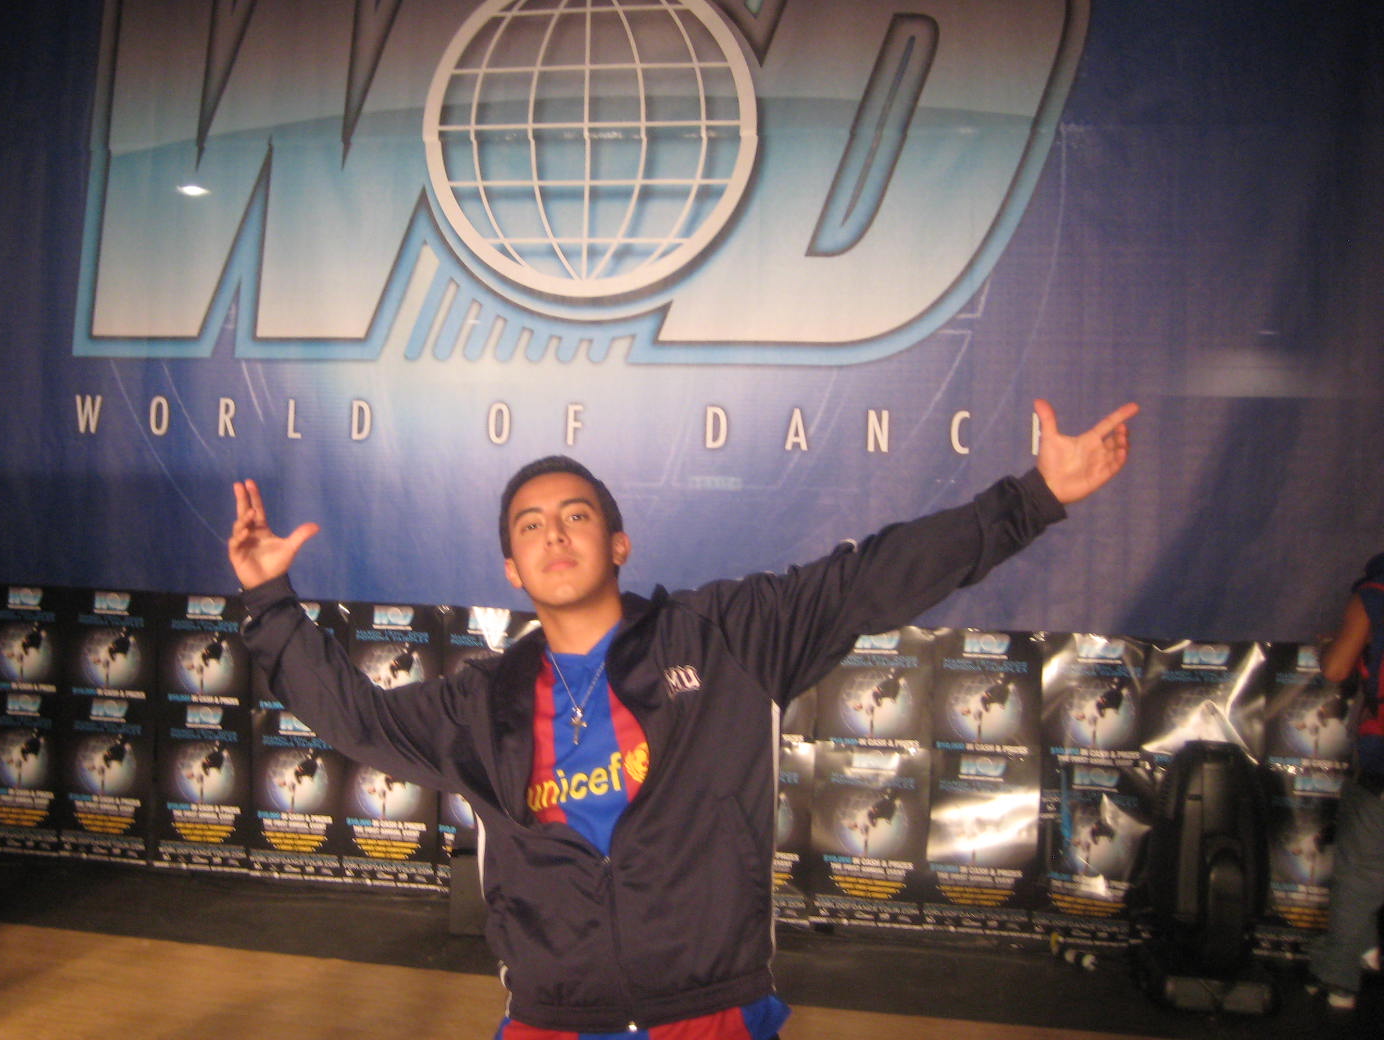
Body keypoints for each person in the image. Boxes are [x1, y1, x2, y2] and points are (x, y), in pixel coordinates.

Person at [228, 398, 1138, 1039]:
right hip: (553, 1021)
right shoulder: (482, 703)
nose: (554, 534)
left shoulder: (727, 637)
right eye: (530, 525)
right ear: (511, 568)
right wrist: (269, 602)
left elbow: (870, 577)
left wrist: (1034, 498)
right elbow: (355, 717)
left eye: (576, 515)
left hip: (712, 1014)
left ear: (618, 543)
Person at [1307, 552, 1384, 1011]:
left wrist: (1328, 647)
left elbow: (1336, 668)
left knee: (1360, 872)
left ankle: (1337, 979)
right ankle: (1366, 948)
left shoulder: (1373, 594)